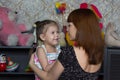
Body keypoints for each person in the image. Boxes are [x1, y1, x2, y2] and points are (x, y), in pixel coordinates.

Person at [29, 9, 105, 80]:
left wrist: (32, 65)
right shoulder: (98, 52)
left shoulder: (69, 53)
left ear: (79, 27)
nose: (67, 29)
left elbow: (50, 78)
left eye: (69, 25)